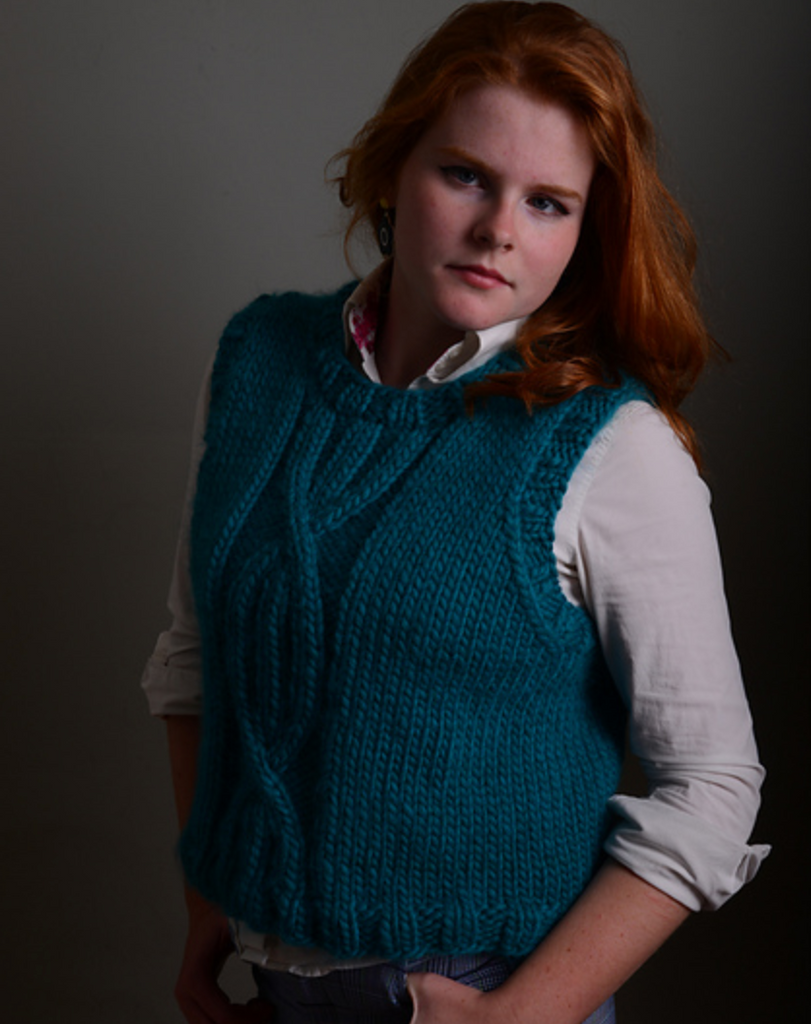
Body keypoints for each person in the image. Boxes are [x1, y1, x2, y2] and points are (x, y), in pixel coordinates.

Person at [141, 3, 769, 1022]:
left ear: (586, 231)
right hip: (272, 990)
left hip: (479, 995)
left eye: (548, 202)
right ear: (395, 166)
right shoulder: (259, 362)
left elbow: (711, 784)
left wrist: (517, 1017)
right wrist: (207, 893)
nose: (498, 230)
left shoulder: (609, 447)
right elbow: (192, 660)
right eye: (466, 175)